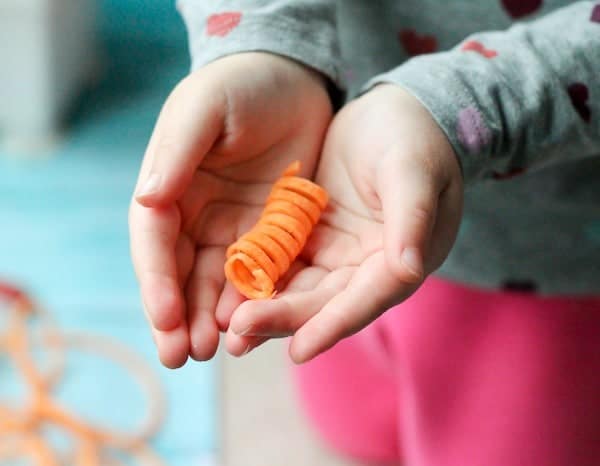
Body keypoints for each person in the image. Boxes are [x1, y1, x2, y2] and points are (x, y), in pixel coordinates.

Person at [129, 2, 600, 464]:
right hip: (341, 185)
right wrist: (260, 41)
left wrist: (458, 101)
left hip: (546, 254)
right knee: (353, 421)